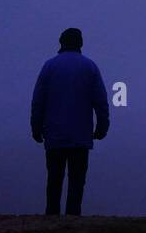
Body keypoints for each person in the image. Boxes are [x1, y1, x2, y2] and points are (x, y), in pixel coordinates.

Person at [30, 27, 110, 215]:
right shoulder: (90, 67)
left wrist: (35, 127)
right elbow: (100, 101)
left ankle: (52, 218)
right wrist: (102, 126)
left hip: (54, 134)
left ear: (61, 42)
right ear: (80, 43)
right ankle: (73, 218)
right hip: (80, 135)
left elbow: (38, 100)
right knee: (77, 180)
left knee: (54, 179)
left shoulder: (49, 66)